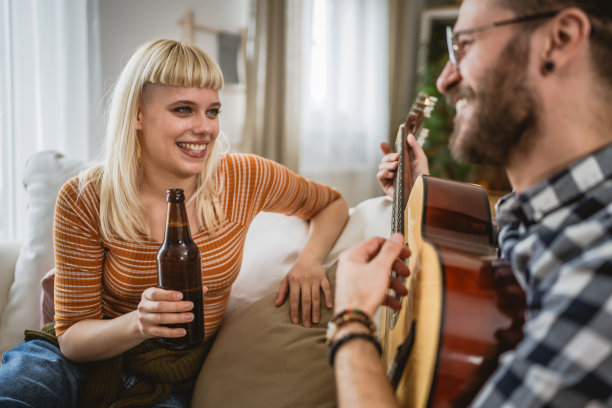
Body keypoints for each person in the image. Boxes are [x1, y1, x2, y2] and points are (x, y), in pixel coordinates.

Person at [0, 39, 348, 407]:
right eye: (184, 110)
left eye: (212, 111)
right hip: (74, 360)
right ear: (137, 114)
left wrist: (309, 261)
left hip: (169, 378)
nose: (204, 128)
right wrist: (139, 323)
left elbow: (332, 203)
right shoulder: (84, 197)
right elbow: (71, 339)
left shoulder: (245, 177)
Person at [328, 0, 612, 406]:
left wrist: (350, 321)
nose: (444, 80)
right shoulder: (541, 218)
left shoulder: (599, 269)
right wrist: (422, 200)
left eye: (464, 44)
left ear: (559, 40)